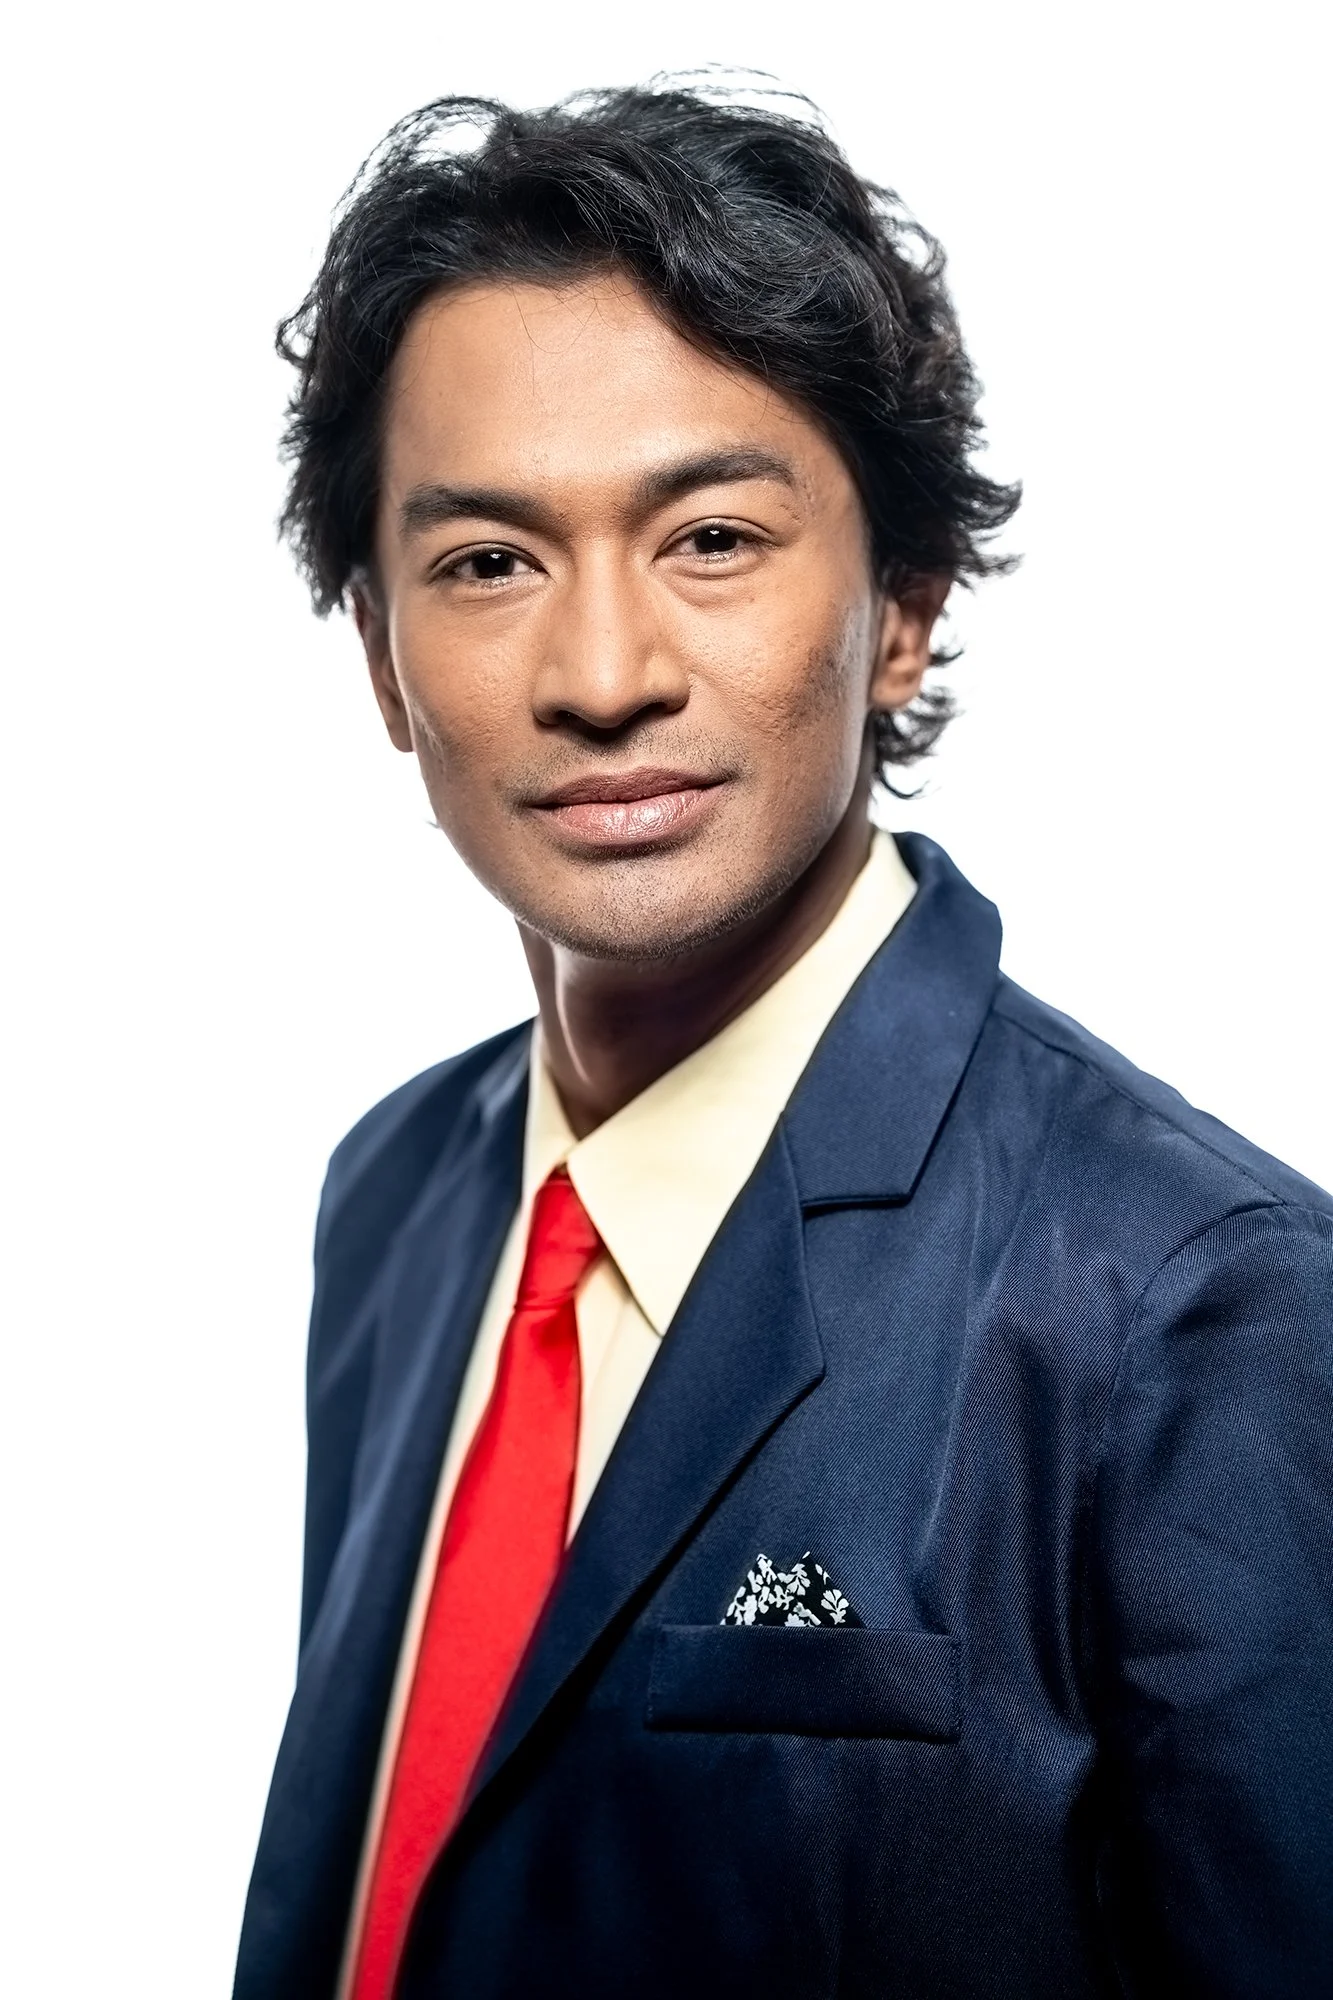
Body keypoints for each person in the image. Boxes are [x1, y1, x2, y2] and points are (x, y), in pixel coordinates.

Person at [234, 83, 1333, 2000]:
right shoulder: (395, 1197)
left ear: (901, 607)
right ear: (379, 661)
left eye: (715, 537)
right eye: (488, 561)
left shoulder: (1189, 1303)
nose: (603, 675)